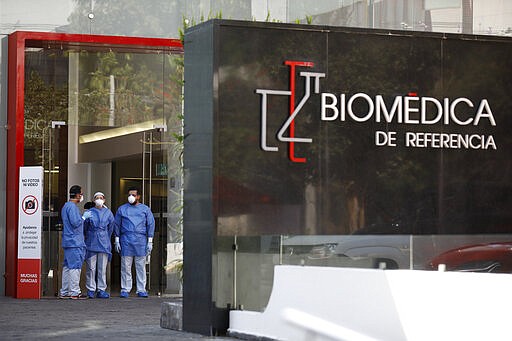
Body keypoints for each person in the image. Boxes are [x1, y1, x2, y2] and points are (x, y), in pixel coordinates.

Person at [114, 187, 155, 298]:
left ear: (138, 196)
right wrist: (117, 239)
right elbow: (117, 224)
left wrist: (150, 240)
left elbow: (150, 224)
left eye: (133, 195)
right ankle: (125, 289)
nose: (131, 197)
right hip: (126, 239)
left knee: (140, 266)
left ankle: (141, 289)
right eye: (129, 195)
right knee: (125, 266)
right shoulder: (122, 209)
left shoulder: (145, 209)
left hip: (140, 240)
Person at [83, 192, 114, 299]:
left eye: (101, 198)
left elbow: (111, 228)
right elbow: (85, 227)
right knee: (91, 268)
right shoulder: (90, 212)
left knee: (102, 268)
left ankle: (101, 289)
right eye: (97, 198)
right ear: (93, 200)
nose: (99, 200)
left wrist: (105, 237)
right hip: (91, 242)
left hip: (104, 243)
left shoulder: (108, 213)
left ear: (104, 200)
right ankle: (91, 289)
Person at [59, 185, 87, 299]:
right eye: (81, 194)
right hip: (75, 242)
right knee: (75, 266)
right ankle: (75, 292)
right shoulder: (72, 207)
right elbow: (76, 223)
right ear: (77, 195)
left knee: (67, 267)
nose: (81, 196)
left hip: (68, 241)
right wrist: (84, 218)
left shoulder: (66, 206)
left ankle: (65, 291)